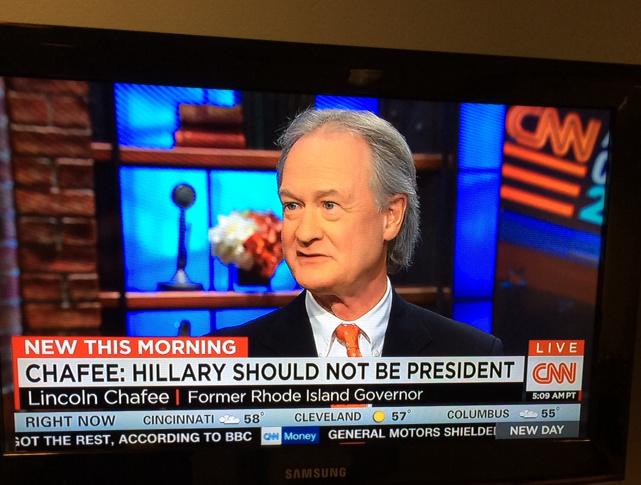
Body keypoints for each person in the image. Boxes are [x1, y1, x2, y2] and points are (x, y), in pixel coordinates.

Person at [216, 109, 503, 357]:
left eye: (329, 205)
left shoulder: (472, 355)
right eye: (293, 205)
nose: (304, 233)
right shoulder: (226, 361)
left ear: (391, 215)